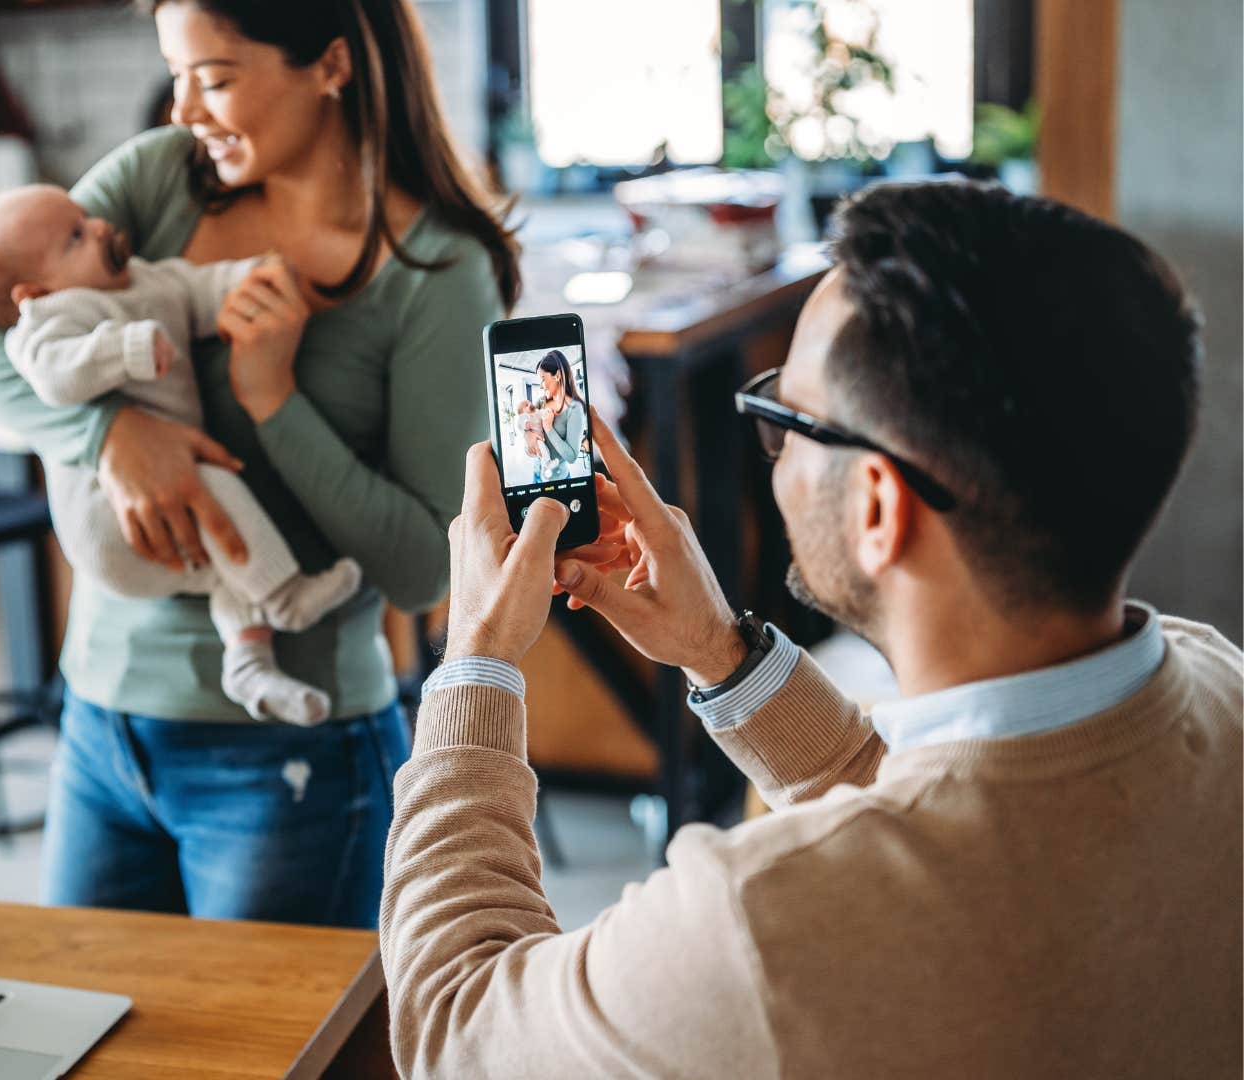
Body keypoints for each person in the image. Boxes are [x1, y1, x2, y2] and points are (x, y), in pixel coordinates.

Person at [379, 183, 1241, 1077]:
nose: (777, 455)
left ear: (877, 507)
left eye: (784, 419)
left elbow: (455, 1028)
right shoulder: (1222, 691)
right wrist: (723, 655)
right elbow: (958, 821)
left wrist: (476, 661)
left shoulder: (759, 924)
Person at [0, 0, 517, 927]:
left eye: (215, 77)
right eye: (178, 76)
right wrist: (111, 436)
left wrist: (274, 400)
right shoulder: (162, 179)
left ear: (331, 65)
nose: (183, 110)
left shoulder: (437, 269)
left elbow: (420, 570)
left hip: (289, 759)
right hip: (100, 724)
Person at [0, 184, 362, 725]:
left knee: (224, 567)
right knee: (217, 487)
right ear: (34, 290)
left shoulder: (150, 280)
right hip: (106, 517)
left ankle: (250, 667)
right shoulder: (51, 318)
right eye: (76, 237)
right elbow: (54, 375)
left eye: (86, 218)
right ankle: (286, 597)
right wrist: (127, 350)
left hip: (162, 501)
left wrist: (260, 277)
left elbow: (204, 289)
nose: (99, 227)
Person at [528, 348, 583, 483]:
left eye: (543, 379)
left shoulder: (575, 408)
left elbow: (571, 457)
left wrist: (548, 428)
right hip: (537, 474)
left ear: (557, 375)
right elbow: (528, 424)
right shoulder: (541, 402)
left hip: (558, 479)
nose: (541, 386)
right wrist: (528, 435)